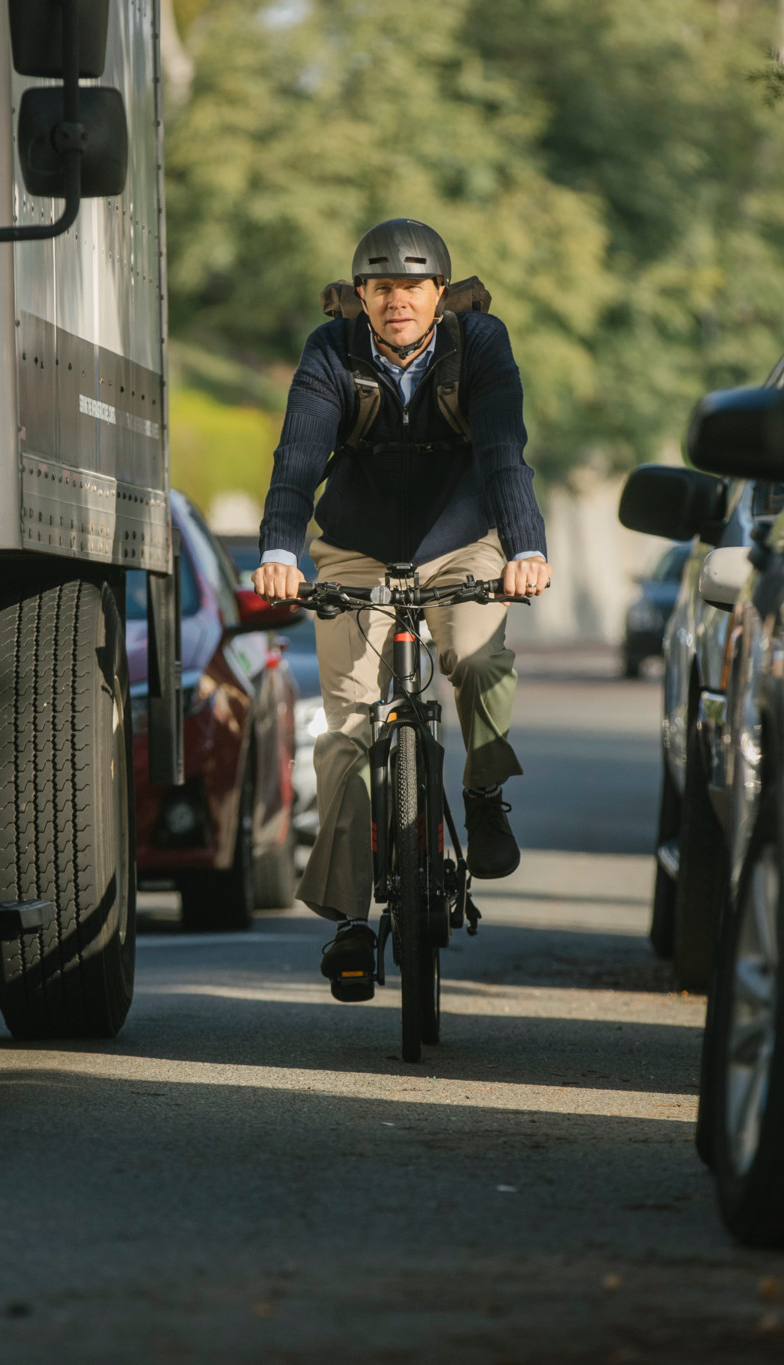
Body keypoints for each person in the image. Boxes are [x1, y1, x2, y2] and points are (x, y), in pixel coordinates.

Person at [251, 218, 552, 1000]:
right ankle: (352, 921)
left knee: (479, 657)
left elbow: (501, 450)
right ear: (360, 296)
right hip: (357, 544)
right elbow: (297, 457)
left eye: (413, 287)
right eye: (380, 288)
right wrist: (280, 550)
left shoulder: (480, 344)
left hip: (463, 540)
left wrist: (524, 548)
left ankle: (484, 793)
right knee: (347, 722)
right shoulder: (331, 352)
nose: (397, 301)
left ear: (440, 295)